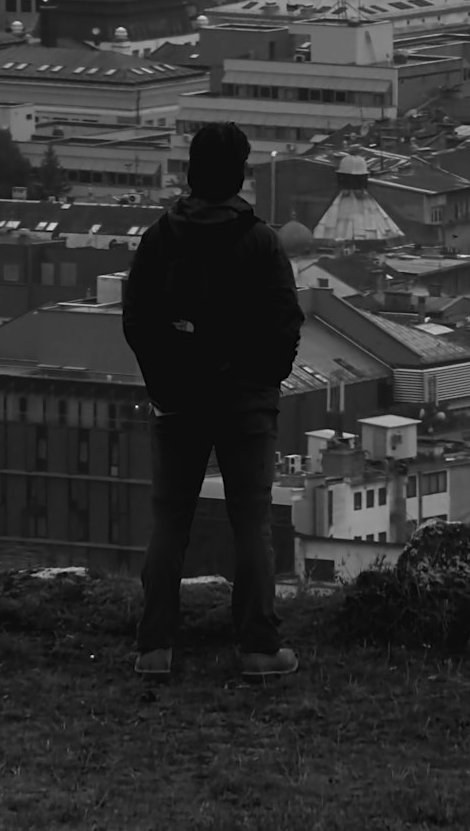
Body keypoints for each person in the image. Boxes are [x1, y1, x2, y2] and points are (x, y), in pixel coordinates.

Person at [122, 122, 304, 684]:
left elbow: (136, 321)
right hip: (246, 402)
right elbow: (285, 324)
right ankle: (257, 647)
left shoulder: (159, 239)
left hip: (178, 398)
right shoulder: (262, 243)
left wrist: (162, 381)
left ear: (190, 173)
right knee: (251, 521)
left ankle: (155, 647)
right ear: (241, 176)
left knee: (170, 519)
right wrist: (263, 382)